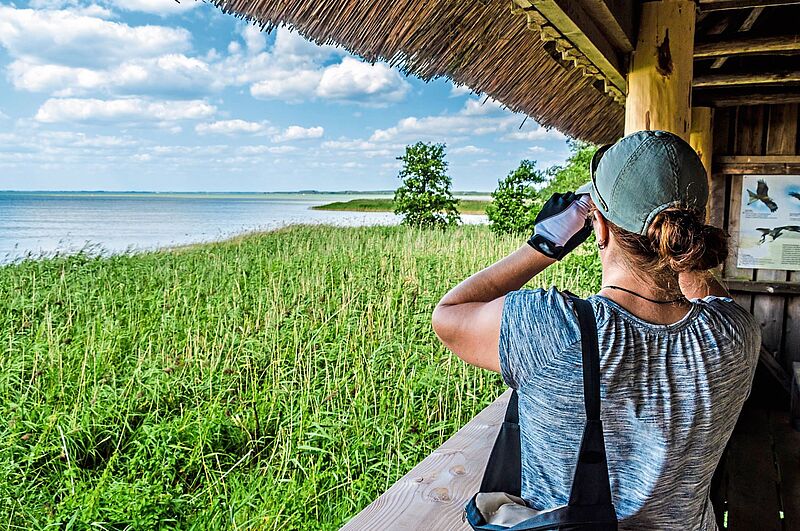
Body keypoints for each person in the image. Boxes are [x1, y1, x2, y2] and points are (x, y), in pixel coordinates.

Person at [431, 130, 760, 530]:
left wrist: (544, 244)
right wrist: (680, 250)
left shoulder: (555, 328)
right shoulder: (733, 335)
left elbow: (448, 315)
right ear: (689, 233)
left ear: (598, 227)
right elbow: (706, 293)